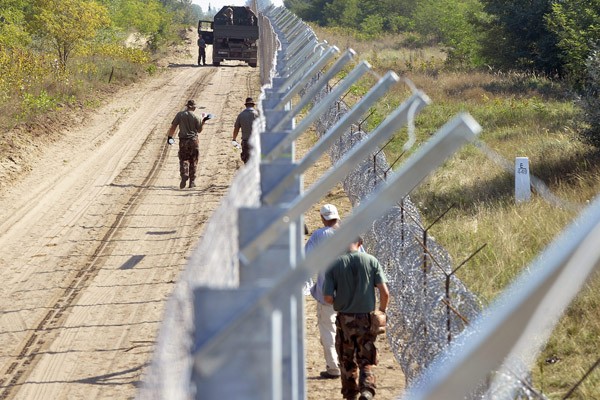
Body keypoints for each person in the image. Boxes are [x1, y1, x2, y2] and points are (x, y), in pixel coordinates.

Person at [323, 237, 390, 400]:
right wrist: (381, 311)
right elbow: (385, 292)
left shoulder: (334, 264)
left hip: (344, 320)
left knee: (346, 358)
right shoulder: (371, 261)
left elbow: (328, 298)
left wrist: (341, 298)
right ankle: (366, 389)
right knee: (366, 357)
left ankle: (350, 393)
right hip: (366, 318)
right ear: (360, 243)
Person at [306, 204, 342, 380]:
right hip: (351, 292)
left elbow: (307, 259)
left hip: (326, 291)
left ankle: (334, 368)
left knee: (329, 329)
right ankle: (351, 364)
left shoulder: (319, 235)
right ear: (337, 217)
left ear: (322, 218)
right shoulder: (349, 234)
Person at [167, 99, 211, 189]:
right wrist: (203, 122)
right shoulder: (196, 116)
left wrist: (170, 137)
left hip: (183, 141)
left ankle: (184, 174)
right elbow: (199, 130)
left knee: (184, 158)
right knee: (193, 160)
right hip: (193, 140)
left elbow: (173, 126)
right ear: (194, 107)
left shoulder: (180, 115)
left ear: (187, 106)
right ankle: (192, 181)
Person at [232, 97, 259, 164]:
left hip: (246, 142)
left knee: (246, 162)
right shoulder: (257, 115)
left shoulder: (241, 115)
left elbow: (236, 129)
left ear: (246, 105)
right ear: (253, 105)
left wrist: (234, 139)